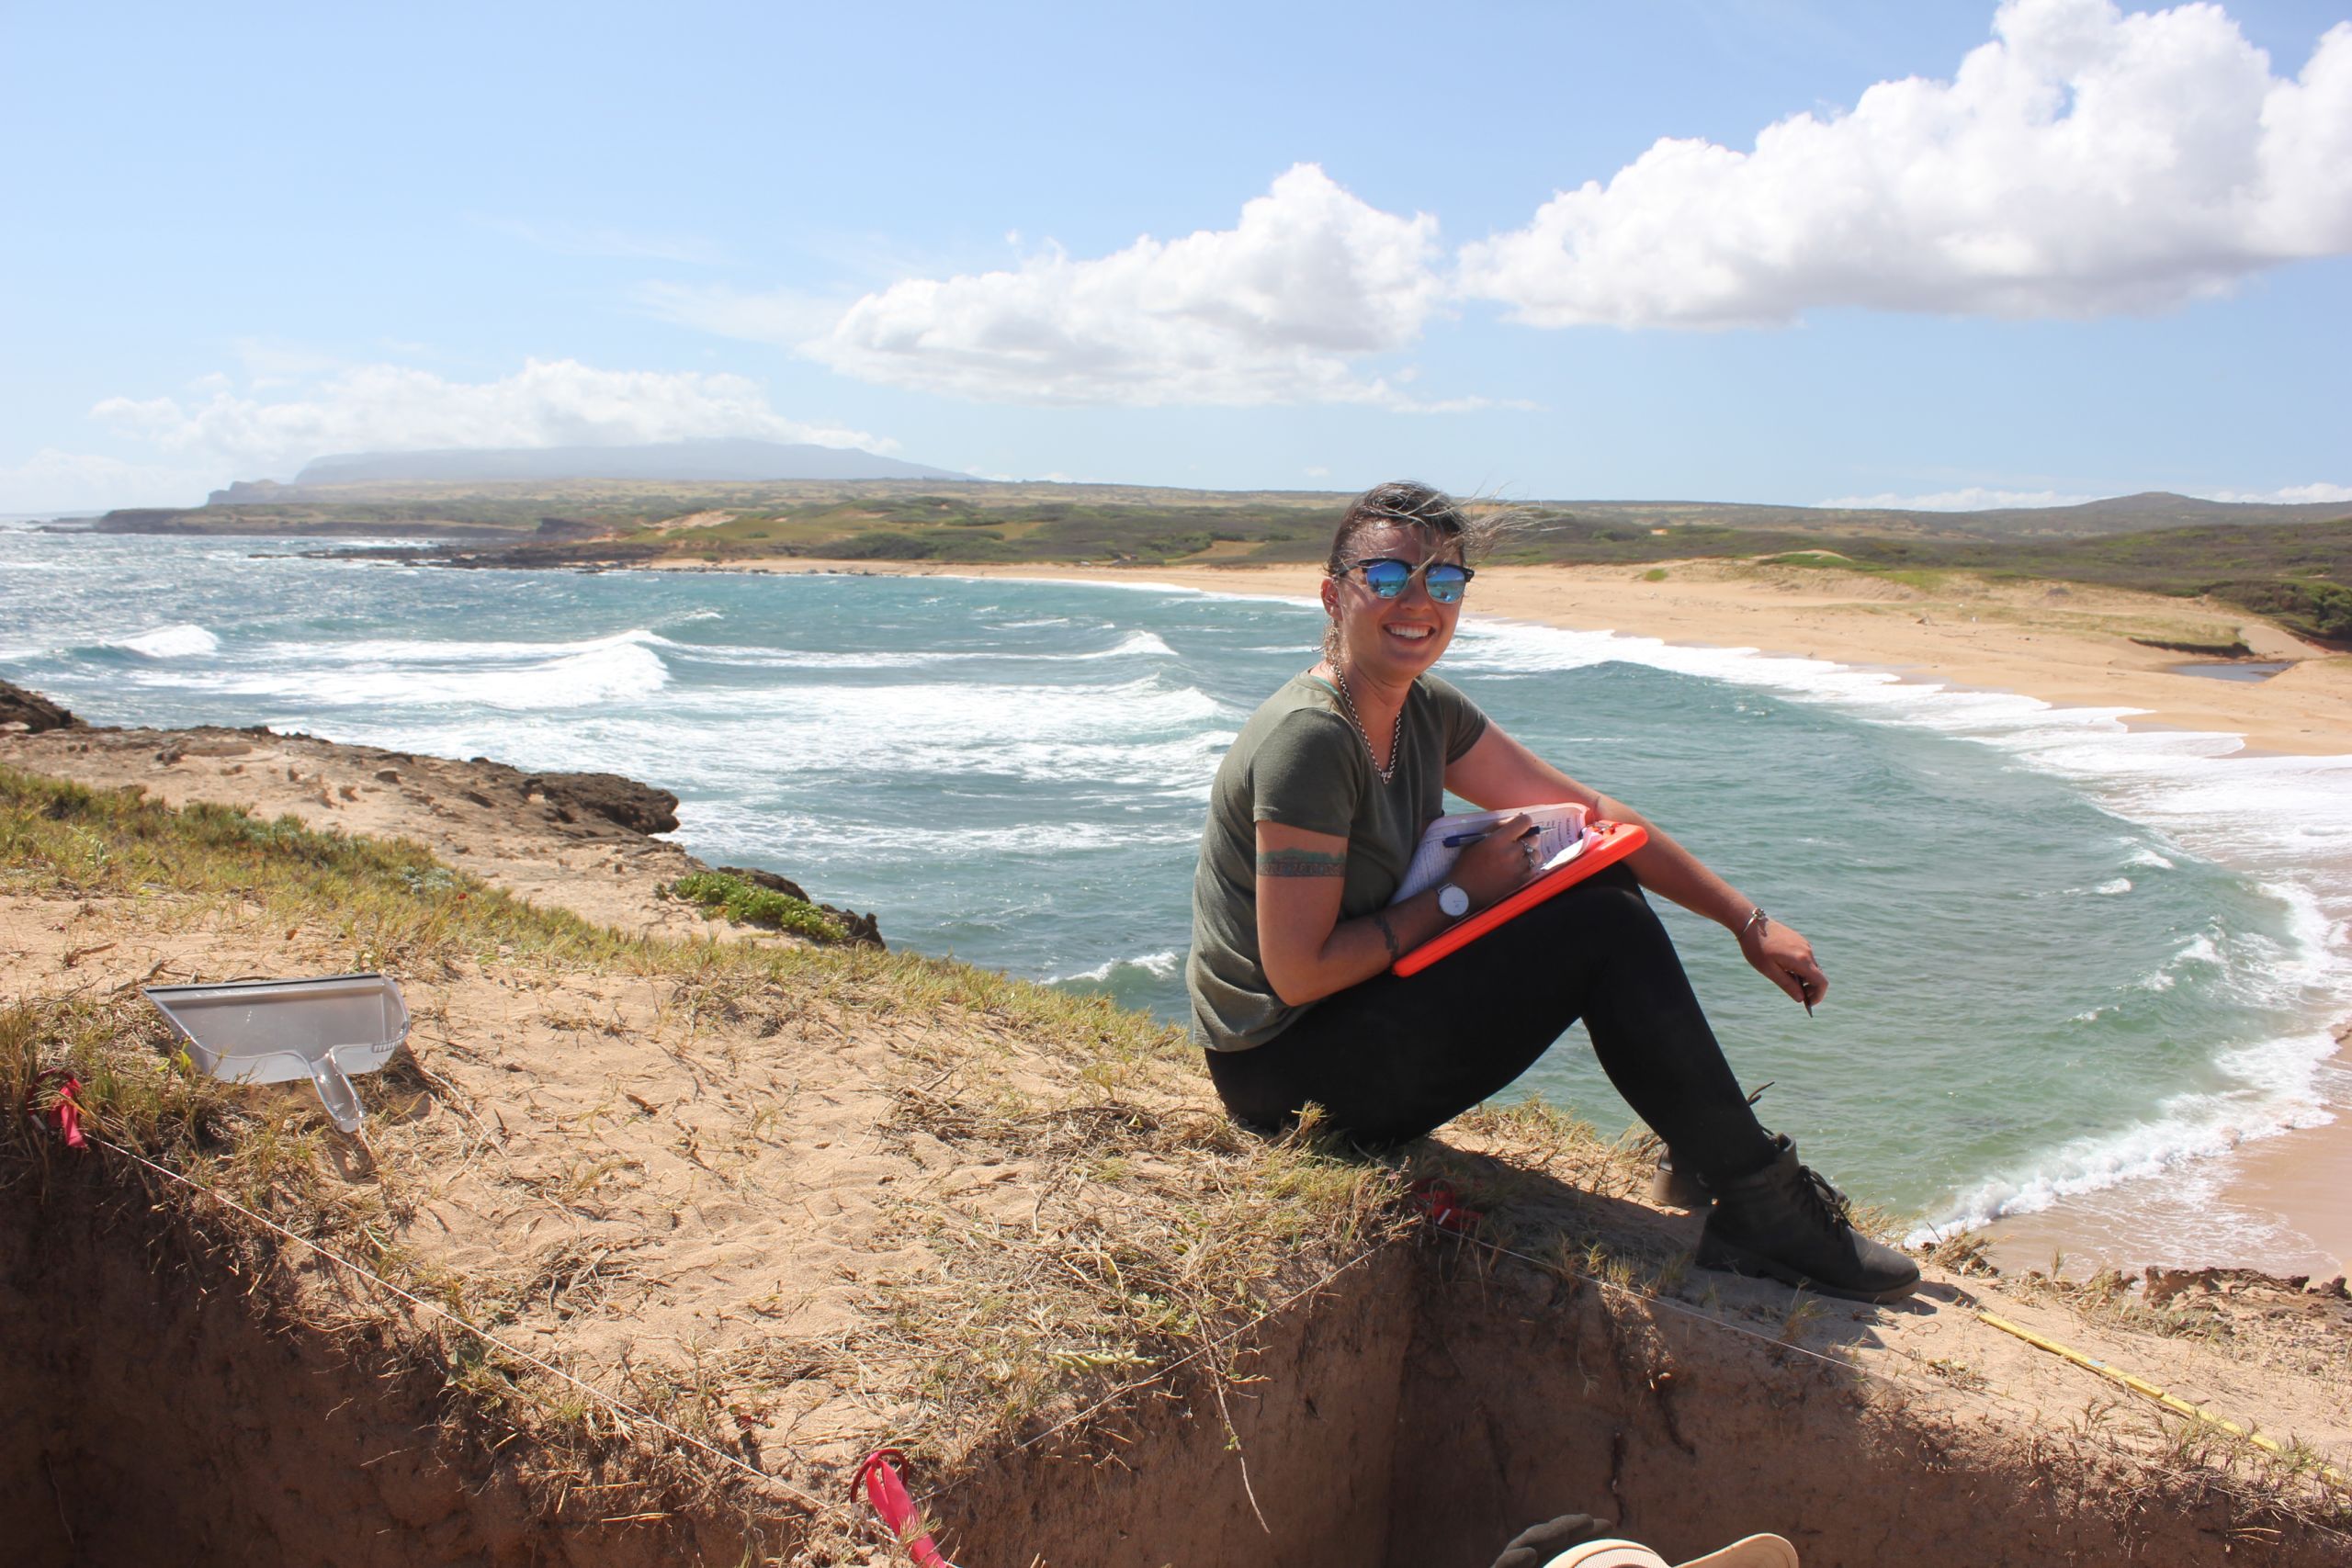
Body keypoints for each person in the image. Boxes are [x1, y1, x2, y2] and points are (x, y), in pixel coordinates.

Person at [1185, 481, 1918, 1303]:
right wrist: (1461, 895)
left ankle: (1710, 1152)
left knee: (1599, 873)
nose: (1418, 603)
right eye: (1388, 578)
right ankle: (1761, 1203)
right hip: (1285, 1078)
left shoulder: (1423, 708)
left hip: (1348, 1024)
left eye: (1444, 582)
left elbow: (1597, 816)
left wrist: (1746, 920)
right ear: (1335, 592)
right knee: (1600, 925)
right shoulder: (1311, 738)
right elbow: (1297, 973)